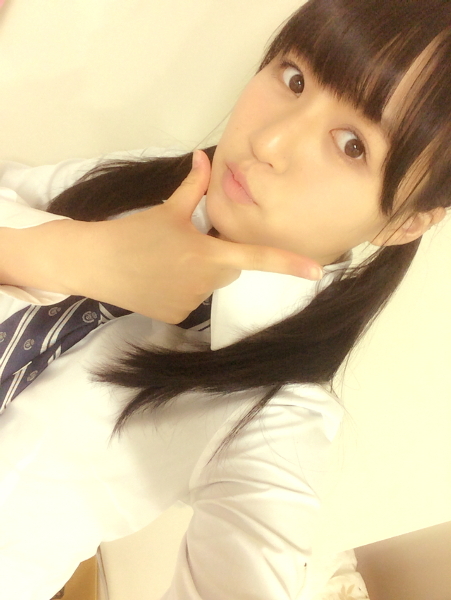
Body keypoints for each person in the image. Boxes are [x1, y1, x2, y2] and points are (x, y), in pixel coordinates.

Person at [0, 0, 450, 598]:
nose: (270, 140)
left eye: (351, 146)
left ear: (405, 222)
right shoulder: (157, 183)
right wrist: (77, 256)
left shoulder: (275, 413)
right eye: (294, 79)